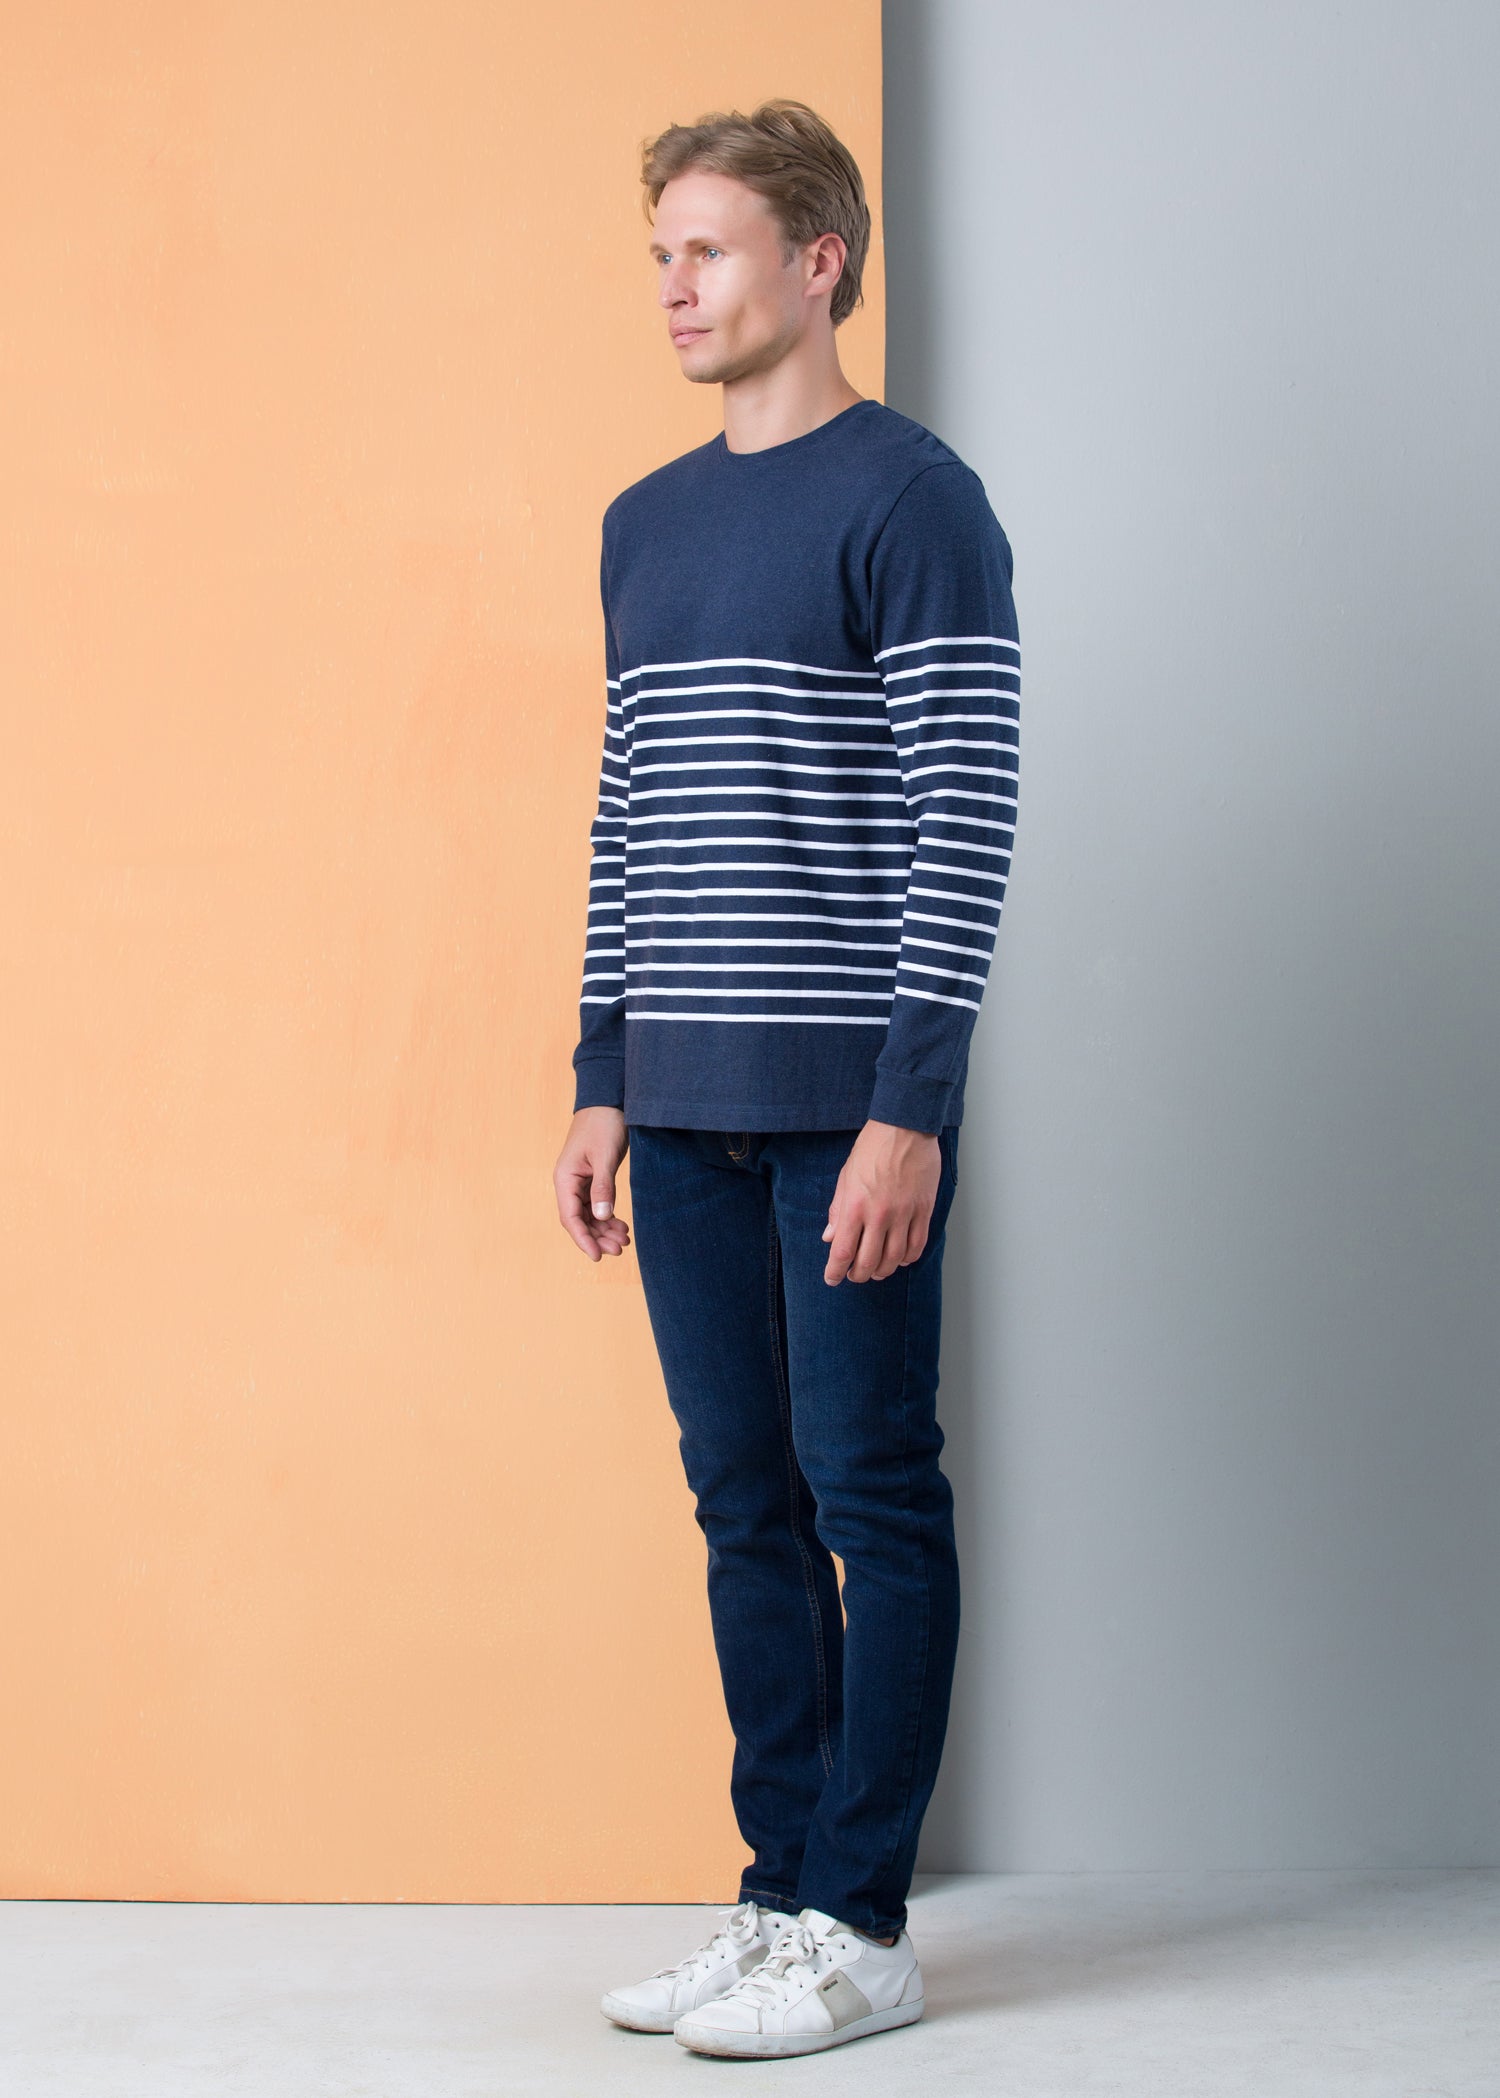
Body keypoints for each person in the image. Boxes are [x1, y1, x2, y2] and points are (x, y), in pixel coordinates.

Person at [552, 97, 1020, 2061]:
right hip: (678, 1105)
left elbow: (964, 814)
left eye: (708, 249)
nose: (673, 285)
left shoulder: (914, 499)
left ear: (818, 263)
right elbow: (628, 814)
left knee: (868, 1491)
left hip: (846, 1108)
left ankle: (863, 1918)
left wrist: (914, 1107)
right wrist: (600, 1067)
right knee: (741, 1495)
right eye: (660, 254)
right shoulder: (643, 523)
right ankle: (776, 1894)